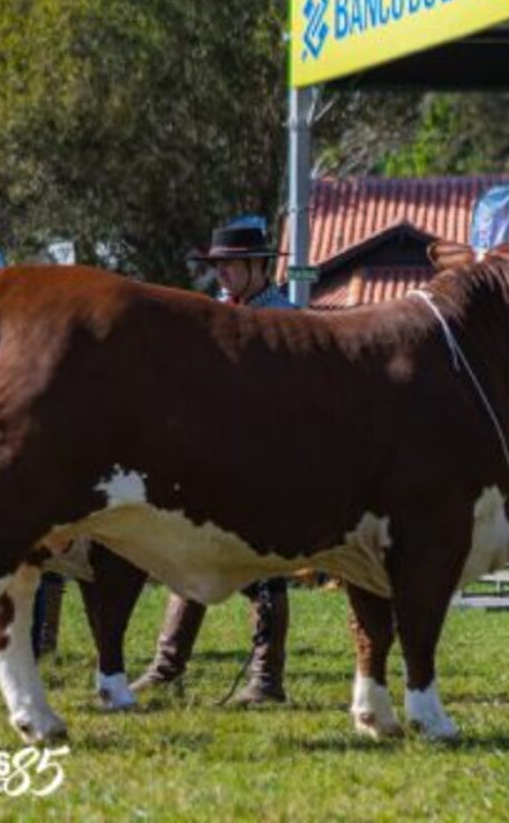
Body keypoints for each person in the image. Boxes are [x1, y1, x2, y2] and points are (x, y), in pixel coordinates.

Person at [130, 217, 291, 705]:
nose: (220, 275)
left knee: (265, 569)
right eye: (216, 266)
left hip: (267, 458)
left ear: (258, 265)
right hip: (214, 458)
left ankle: (266, 680)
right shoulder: (213, 313)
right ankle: (166, 667)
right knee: (191, 560)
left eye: (229, 266)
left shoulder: (284, 321)